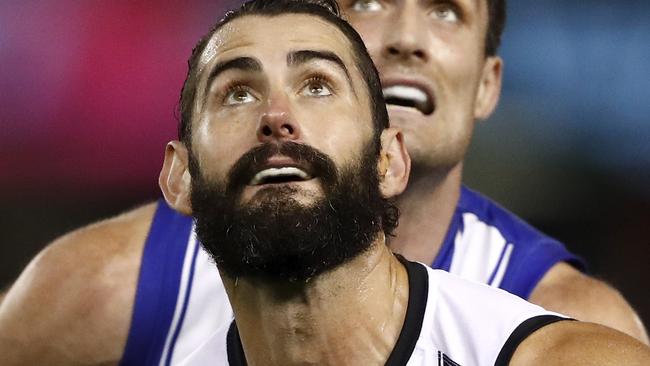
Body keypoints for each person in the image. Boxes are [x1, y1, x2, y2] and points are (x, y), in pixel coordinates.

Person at [0, 0, 647, 365]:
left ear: (488, 84)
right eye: (368, 3)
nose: (403, 39)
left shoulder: (564, 334)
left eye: (446, 12)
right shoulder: (107, 286)